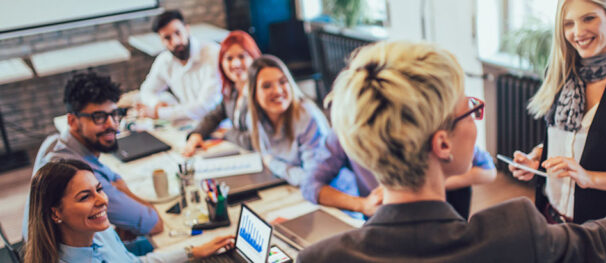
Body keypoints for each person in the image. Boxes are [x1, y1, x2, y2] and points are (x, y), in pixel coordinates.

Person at [296, 41, 606, 262]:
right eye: (469, 110)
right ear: (441, 144)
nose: (476, 117)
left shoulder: (318, 258)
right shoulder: (511, 237)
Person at [509, 0, 606, 223]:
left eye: (588, 18)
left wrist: (589, 178)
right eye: (568, 24)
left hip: (601, 231)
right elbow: (569, 142)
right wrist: (537, 157)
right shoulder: (560, 76)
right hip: (548, 217)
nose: (577, 32)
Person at [22, 73, 162, 242]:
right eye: (99, 117)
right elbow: (153, 224)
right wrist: (126, 194)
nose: (112, 124)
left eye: (114, 114)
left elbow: (114, 179)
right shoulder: (76, 175)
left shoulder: (54, 143)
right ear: (72, 121)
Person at [24, 159, 235, 262]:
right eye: (85, 197)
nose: (102, 201)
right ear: (55, 213)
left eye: (99, 190)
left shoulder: (100, 233)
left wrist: (192, 251)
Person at [302, 131, 496, 219]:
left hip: (440, 215)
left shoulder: (427, 126)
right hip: (382, 218)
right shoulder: (344, 134)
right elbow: (310, 185)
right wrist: (361, 205)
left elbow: (487, 169)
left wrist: (437, 183)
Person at [246, 55, 330, 186]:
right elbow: (263, 154)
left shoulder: (307, 117)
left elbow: (312, 179)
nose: (278, 91)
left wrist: (273, 164)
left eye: (282, 82)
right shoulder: (253, 118)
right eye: (267, 86)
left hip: (330, 193)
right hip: (289, 186)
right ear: (253, 93)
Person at [183, 30, 262, 156]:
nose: (235, 64)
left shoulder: (261, 93)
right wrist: (196, 134)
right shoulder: (233, 91)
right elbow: (213, 116)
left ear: (254, 58)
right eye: (229, 58)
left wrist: (226, 134)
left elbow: (253, 140)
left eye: (242, 56)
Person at [137, 10, 222, 121]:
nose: (175, 42)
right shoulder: (164, 60)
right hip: (187, 123)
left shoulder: (212, 53)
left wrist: (160, 113)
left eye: (178, 33)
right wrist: (156, 103)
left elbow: (205, 107)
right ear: (161, 40)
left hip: (217, 125)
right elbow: (146, 90)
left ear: (187, 29)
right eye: (167, 38)